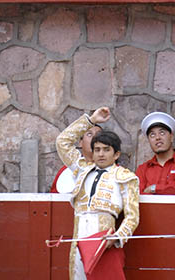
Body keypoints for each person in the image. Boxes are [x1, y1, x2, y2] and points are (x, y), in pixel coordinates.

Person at [56, 106, 139, 280]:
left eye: (106, 150)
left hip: (103, 237)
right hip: (79, 232)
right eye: (97, 149)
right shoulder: (82, 169)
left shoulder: (125, 177)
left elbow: (132, 217)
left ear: (116, 154)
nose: (101, 154)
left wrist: (117, 237)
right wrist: (91, 120)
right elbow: (62, 142)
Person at [136, 111, 175, 195]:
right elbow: (138, 196)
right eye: (152, 135)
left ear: (171, 137)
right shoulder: (142, 170)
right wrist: (173, 189)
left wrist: (154, 188)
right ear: (149, 140)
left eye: (162, 133)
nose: (157, 137)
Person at [51, 122, 103, 193]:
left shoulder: (114, 170)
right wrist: (91, 120)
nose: (94, 138)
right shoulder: (68, 169)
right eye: (89, 134)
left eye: (99, 135)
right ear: (80, 142)